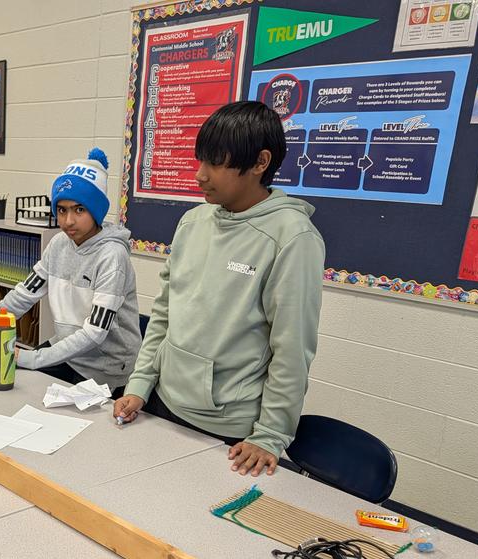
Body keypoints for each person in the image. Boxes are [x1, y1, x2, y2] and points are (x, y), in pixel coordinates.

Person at [114, 101, 325, 477]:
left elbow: (292, 348)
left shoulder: (292, 238)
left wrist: (270, 435)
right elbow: (164, 314)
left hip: (229, 431)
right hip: (163, 403)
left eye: (215, 163)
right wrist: (140, 384)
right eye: (200, 161)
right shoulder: (192, 222)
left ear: (260, 162)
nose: (200, 175)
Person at [0, 149, 140, 396]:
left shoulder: (112, 256)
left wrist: (31, 358)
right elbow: (23, 295)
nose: (68, 220)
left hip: (105, 368)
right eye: (61, 210)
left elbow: (94, 333)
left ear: (96, 210)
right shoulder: (59, 244)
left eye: (79, 210)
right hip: (68, 354)